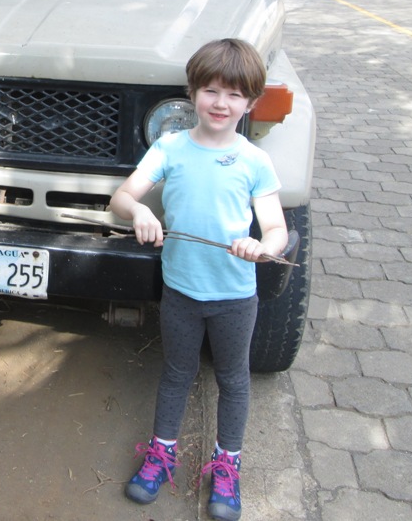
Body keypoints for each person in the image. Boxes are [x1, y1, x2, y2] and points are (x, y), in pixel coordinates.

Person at [109, 38, 288, 521]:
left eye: (234, 95)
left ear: (250, 103)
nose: (220, 103)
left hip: (234, 297)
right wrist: (139, 212)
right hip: (181, 293)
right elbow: (121, 198)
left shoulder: (254, 160)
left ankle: (228, 466)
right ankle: (161, 454)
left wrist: (263, 247)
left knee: (233, 379)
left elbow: (276, 230)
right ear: (193, 94)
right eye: (211, 90)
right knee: (176, 373)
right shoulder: (170, 147)